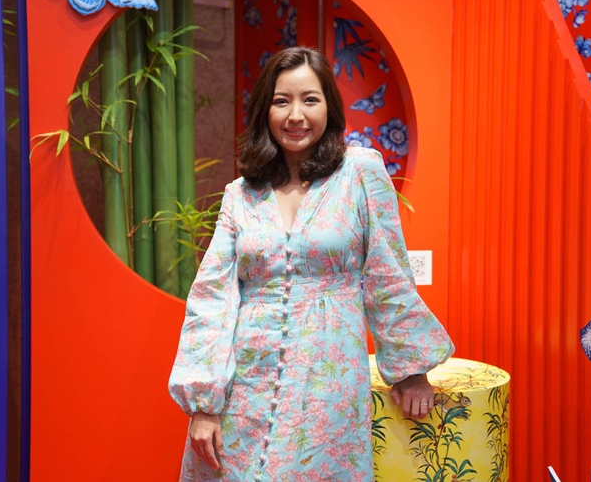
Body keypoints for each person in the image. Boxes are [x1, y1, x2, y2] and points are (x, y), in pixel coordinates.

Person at [168, 46, 454, 482]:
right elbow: (212, 297)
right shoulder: (240, 194)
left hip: (326, 383)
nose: (296, 115)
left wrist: (411, 371)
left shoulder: (360, 172)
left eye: (310, 100)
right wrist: (204, 403)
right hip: (245, 386)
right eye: (282, 101)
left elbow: (387, 272)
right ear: (265, 110)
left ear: (329, 107)